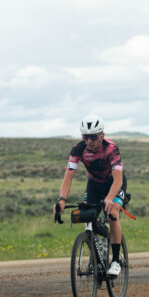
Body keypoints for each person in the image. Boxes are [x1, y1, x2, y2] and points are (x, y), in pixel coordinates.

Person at [54, 115, 127, 277]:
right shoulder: (78, 149)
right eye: (85, 137)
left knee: (112, 213)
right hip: (94, 185)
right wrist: (62, 199)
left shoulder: (111, 148)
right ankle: (98, 247)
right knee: (87, 216)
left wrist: (109, 198)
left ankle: (115, 260)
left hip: (114, 184)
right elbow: (68, 176)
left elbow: (118, 179)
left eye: (93, 137)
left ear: (101, 135)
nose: (89, 141)